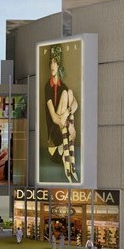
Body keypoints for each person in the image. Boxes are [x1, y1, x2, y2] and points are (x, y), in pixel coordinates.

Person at [44, 45, 80, 183]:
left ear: (59, 65)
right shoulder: (47, 87)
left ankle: (70, 169)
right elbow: (54, 118)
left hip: (64, 143)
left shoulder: (63, 86)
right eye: (51, 63)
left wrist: (67, 113)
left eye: (55, 63)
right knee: (66, 93)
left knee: (69, 92)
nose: (52, 66)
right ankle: (71, 168)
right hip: (54, 143)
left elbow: (75, 104)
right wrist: (70, 127)